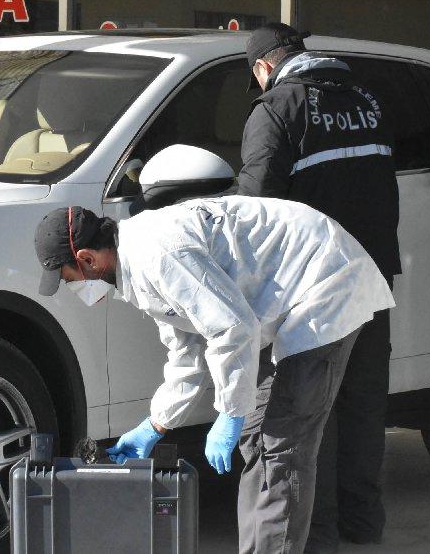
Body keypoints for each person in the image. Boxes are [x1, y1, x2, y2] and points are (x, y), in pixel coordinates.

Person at [34, 196, 394, 554]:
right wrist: (155, 425)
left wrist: (230, 412)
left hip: (325, 283)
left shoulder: (158, 256)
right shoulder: (138, 263)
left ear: (87, 259)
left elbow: (232, 328)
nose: (74, 287)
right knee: (258, 440)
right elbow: (189, 351)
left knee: (281, 447)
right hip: (288, 299)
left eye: (68, 279)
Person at [237, 22, 401, 552]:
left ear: (264, 66)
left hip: (312, 285)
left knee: (311, 407)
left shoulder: (276, 108)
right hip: (372, 276)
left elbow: (255, 205)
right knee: (364, 402)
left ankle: (320, 533)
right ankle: (363, 522)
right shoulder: (366, 100)